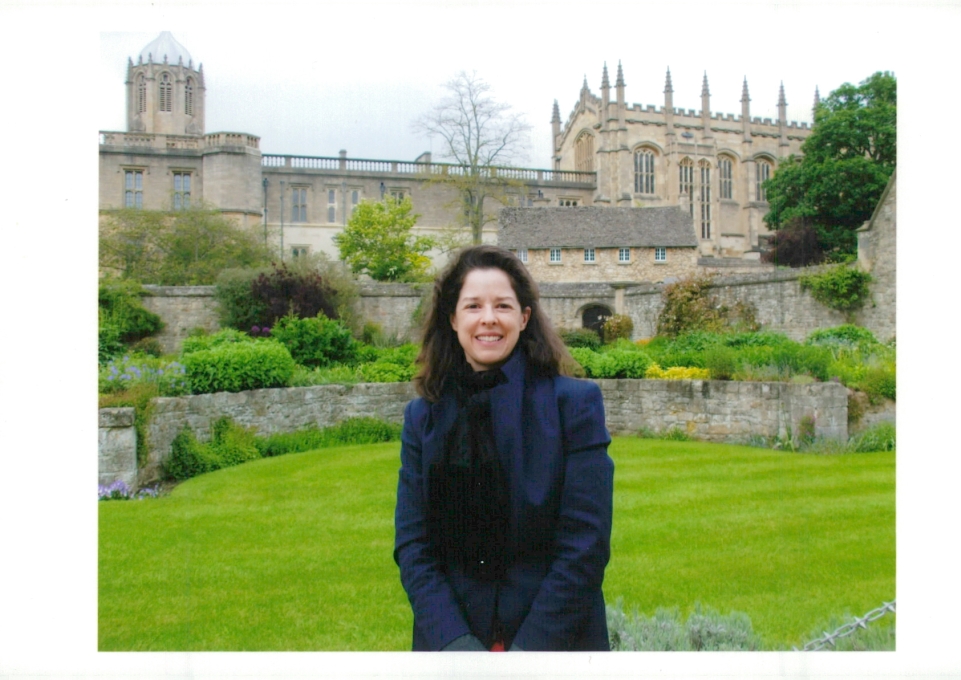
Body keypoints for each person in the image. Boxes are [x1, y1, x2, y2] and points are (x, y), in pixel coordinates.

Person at [393, 245, 614, 652]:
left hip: (555, 648)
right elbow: (413, 545)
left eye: (503, 306)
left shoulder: (574, 406)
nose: (489, 318)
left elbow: (585, 544)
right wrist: (456, 643)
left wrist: (525, 657)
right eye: (473, 305)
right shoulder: (422, 418)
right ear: (453, 317)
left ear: (524, 317)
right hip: (451, 650)